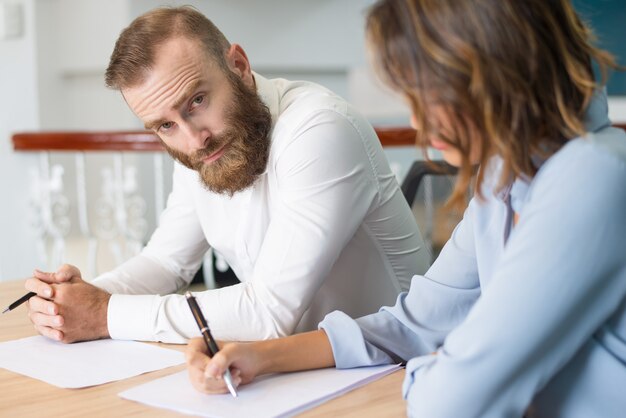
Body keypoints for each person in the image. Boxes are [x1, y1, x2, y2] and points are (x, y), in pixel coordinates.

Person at [184, 0, 626, 416]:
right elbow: (415, 323)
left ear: (496, 71)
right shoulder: (501, 178)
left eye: (430, 92)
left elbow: (449, 400)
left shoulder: (594, 175)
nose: (417, 121)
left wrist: (440, 366)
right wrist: (261, 356)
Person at [23, 6, 430, 344]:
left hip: (394, 365)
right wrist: (79, 298)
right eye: (164, 126)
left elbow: (267, 312)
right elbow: (166, 262)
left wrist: (105, 314)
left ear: (238, 65)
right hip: (297, 368)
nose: (193, 140)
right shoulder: (203, 146)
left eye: (197, 101)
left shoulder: (320, 129)